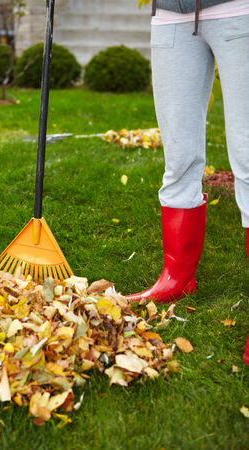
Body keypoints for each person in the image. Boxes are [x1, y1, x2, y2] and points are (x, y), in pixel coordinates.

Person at [126, 0, 249, 365]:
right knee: (178, 157)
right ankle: (176, 276)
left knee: (247, 155)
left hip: (237, 10)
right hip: (170, 15)